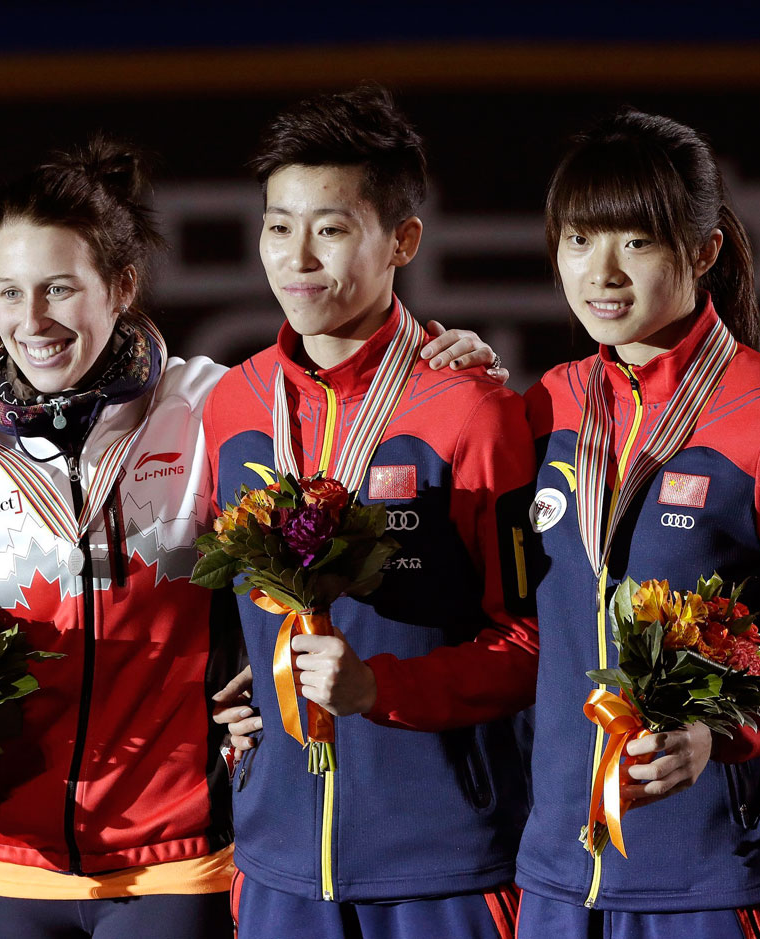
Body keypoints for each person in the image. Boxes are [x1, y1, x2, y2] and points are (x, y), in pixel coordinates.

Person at [0, 135, 504, 938]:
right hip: (0, 863)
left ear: (121, 286)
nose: (32, 321)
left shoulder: (216, 411)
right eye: (7, 291)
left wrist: (446, 359)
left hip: (180, 861)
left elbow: (334, 412)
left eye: (60, 288)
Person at [514, 109, 760, 937]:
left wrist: (724, 729)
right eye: (579, 241)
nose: (601, 273)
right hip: (559, 878)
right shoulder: (549, 403)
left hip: (723, 883)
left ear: (703, 252)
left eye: (637, 242)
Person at [203, 85, 538, 939]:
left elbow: (535, 641)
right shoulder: (232, 406)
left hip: (445, 869)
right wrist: (227, 688)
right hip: (275, 867)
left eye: (332, 227)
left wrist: (381, 688)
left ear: (403, 241)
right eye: (279, 226)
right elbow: (220, 607)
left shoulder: (471, 411)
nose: (298, 257)